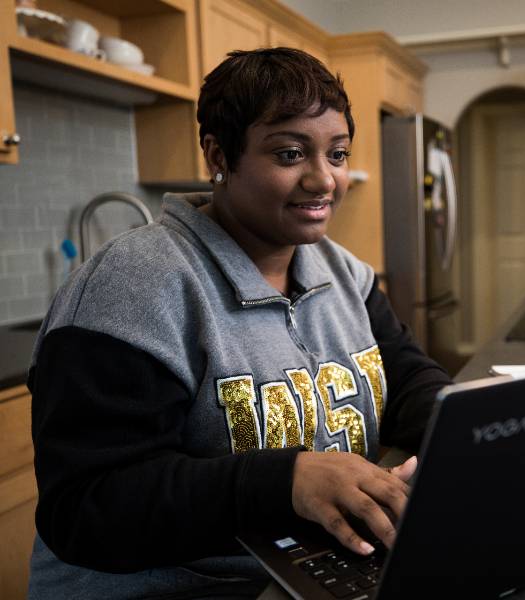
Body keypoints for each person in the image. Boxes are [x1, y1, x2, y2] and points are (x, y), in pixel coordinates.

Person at [27, 48, 452, 599]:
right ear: (218, 154)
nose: (323, 179)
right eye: (291, 153)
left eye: (338, 154)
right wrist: (286, 481)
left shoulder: (345, 274)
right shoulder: (133, 288)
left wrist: (462, 426)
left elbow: (407, 382)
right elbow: (87, 507)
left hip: (301, 571)